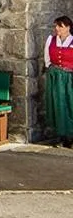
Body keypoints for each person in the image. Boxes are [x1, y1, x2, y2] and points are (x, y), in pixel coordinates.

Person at [44, 15, 73, 145]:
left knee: (70, 105)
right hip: (55, 78)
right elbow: (47, 60)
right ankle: (62, 136)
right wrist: (52, 71)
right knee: (58, 105)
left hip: (70, 78)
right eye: (56, 26)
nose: (57, 28)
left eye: (60, 26)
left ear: (68, 27)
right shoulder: (51, 40)